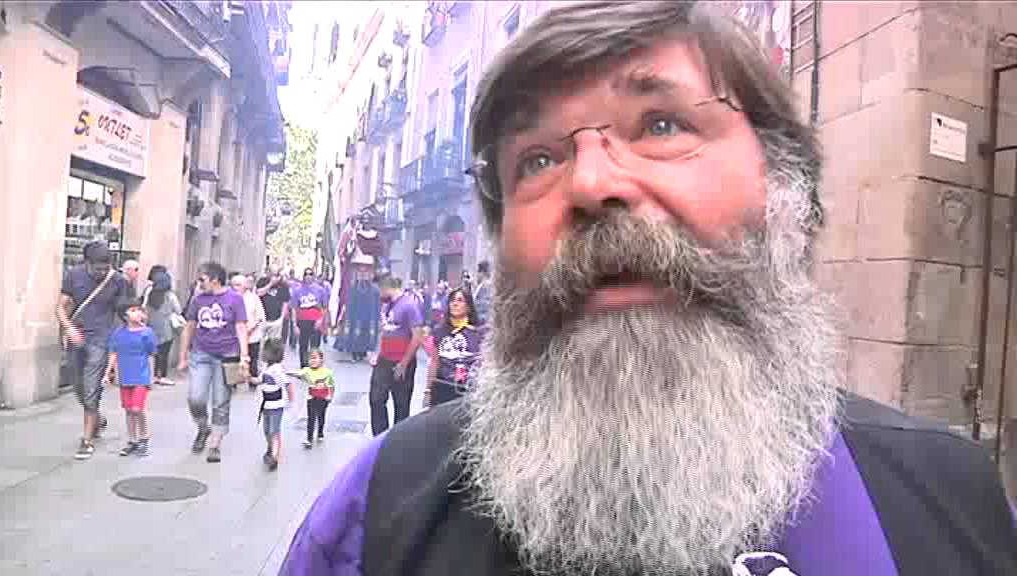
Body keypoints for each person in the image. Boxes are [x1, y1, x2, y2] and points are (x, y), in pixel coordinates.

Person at [280, 3, 1017, 576]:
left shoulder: (948, 500)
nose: (591, 182)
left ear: (786, 189)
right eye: (536, 160)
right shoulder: (378, 509)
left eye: (662, 124)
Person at [58, 240, 130, 460]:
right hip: (77, 336)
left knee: (91, 388)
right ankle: (97, 418)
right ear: (87, 263)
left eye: (105, 268)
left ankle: (87, 439)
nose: (102, 272)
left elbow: (125, 311)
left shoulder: (118, 280)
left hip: (101, 338)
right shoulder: (74, 275)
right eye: (98, 268)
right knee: (77, 386)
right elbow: (60, 306)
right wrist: (68, 327)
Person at [178, 261, 249, 464]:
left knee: (221, 401)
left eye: (202, 279)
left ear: (215, 279)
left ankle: (215, 444)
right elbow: (189, 327)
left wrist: (244, 357)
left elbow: (241, 327)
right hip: (201, 354)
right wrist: (183, 356)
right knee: (196, 398)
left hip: (227, 356)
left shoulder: (235, 299)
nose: (199, 283)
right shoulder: (198, 300)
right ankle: (203, 427)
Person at [368, 275, 424, 436]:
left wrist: (404, 363)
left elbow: (417, 336)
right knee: (376, 399)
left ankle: (398, 440)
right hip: (384, 360)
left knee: (401, 404)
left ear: (386, 288)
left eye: (380, 291)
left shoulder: (409, 305)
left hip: (401, 361)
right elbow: (384, 330)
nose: (379, 295)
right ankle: (380, 437)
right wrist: (377, 352)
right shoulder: (386, 306)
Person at [104, 300, 157, 457]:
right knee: (128, 410)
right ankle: (132, 440)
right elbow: (113, 353)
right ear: (125, 316)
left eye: (138, 309)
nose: (137, 312)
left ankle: (144, 437)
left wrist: (151, 376)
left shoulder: (147, 332)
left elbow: (151, 354)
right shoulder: (119, 333)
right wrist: (109, 373)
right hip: (125, 375)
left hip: (141, 375)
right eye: (132, 310)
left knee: (137, 409)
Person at [425, 287, 483, 408]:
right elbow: (434, 362)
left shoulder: (479, 332)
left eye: (460, 300)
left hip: (468, 390)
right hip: (442, 387)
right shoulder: (440, 330)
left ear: (468, 306)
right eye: (452, 300)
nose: (455, 304)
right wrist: (427, 391)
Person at [143, 266, 182, 386]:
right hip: (166, 328)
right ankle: (162, 376)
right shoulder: (170, 295)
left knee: (153, 352)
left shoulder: (150, 293)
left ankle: (153, 375)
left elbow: (144, 307)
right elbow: (178, 309)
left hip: (151, 326)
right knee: (164, 353)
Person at [260, 339, 294, 471]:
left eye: (265, 351)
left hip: (276, 406)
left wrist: (290, 402)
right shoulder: (266, 367)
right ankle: (270, 448)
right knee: (267, 430)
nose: (263, 353)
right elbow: (260, 380)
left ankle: (274, 457)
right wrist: (249, 378)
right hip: (266, 405)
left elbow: (288, 384)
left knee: (274, 430)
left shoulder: (278, 369)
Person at [295, 349, 335, 449]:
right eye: (310, 358)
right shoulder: (306, 370)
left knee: (321, 416)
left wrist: (330, 396)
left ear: (321, 360)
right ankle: (309, 439)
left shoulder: (327, 372)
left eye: (315, 358)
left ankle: (320, 432)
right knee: (311, 418)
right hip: (311, 398)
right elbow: (298, 374)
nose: (312, 361)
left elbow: (331, 385)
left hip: (323, 398)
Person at [232, 274, 266, 388]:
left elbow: (260, 316)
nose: (235, 288)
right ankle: (233, 383)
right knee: (234, 360)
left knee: (252, 360)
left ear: (244, 286)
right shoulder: (230, 298)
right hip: (235, 336)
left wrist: (251, 329)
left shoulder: (253, 298)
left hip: (252, 335)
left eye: (238, 285)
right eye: (233, 285)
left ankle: (252, 382)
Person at [291, 268, 326, 367]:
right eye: (306, 274)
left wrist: (321, 320)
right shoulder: (297, 290)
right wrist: (294, 325)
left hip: (316, 321)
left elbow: (324, 307)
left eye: (310, 274)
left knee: (315, 347)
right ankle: (304, 367)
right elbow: (294, 308)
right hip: (302, 321)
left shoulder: (320, 290)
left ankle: (314, 367)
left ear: (313, 276)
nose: (308, 276)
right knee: (303, 346)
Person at [259, 268, 292, 344]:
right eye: (273, 274)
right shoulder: (262, 281)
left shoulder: (283, 285)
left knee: (273, 344)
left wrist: (281, 318)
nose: (275, 277)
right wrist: (270, 284)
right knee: (260, 343)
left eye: (277, 275)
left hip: (276, 319)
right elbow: (259, 293)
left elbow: (285, 303)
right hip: (262, 319)